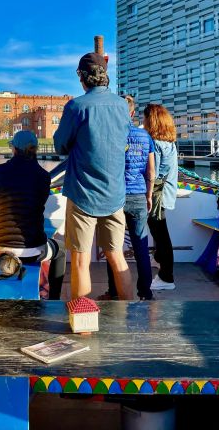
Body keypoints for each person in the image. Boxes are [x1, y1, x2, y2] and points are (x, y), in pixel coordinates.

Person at [53, 52, 133, 300]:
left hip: (83, 194)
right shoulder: (122, 105)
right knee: (116, 255)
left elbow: (60, 146)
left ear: (82, 77)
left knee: (80, 260)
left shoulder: (76, 107)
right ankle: (133, 314)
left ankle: (83, 323)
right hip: (115, 194)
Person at [0, 130, 65, 299]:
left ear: (14, 149)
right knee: (61, 252)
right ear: (35, 149)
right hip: (33, 250)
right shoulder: (43, 177)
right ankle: (54, 299)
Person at [105, 95, 155, 300]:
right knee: (141, 247)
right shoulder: (146, 137)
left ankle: (114, 291)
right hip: (138, 196)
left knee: (113, 248)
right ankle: (145, 292)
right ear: (133, 113)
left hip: (116, 197)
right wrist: (149, 195)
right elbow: (151, 171)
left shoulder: (113, 136)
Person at [143, 104, 179, 291]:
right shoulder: (169, 142)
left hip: (156, 195)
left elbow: (152, 172)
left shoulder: (154, 143)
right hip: (166, 193)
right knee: (160, 233)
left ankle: (166, 277)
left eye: (145, 118)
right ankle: (158, 260)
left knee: (161, 235)